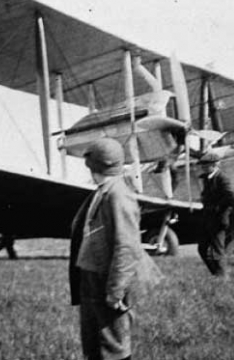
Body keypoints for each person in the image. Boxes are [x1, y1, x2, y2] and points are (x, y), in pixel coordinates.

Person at [69, 138, 143, 360]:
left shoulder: (118, 195)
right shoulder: (105, 191)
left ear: (94, 166)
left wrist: (115, 290)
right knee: (96, 347)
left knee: (113, 347)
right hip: (94, 280)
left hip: (107, 282)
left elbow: (127, 247)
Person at [197, 151, 234, 277]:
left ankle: (222, 276)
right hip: (209, 219)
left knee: (217, 249)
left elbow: (231, 196)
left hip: (218, 219)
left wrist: (218, 207)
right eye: (202, 165)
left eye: (206, 165)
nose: (203, 167)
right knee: (202, 248)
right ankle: (217, 273)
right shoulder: (208, 179)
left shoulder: (221, 178)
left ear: (215, 165)